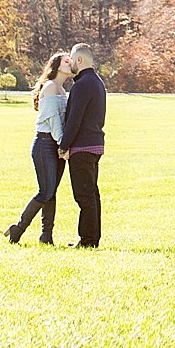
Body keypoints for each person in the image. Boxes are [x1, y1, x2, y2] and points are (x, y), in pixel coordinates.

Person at [4, 52, 72, 245]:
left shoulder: (61, 89)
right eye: (67, 61)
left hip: (55, 143)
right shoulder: (50, 87)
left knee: (51, 192)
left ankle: (46, 236)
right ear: (57, 65)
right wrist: (62, 145)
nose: (71, 63)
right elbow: (53, 122)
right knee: (45, 191)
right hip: (44, 144)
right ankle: (18, 228)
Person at [57, 42, 107, 248]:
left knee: (84, 195)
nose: (70, 62)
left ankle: (87, 241)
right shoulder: (97, 82)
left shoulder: (82, 85)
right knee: (92, 194)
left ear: (80, 59)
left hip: (82, 147)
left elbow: (74, 119)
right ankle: (91, 238)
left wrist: (63, 145)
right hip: (95, 144)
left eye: (71, 58)